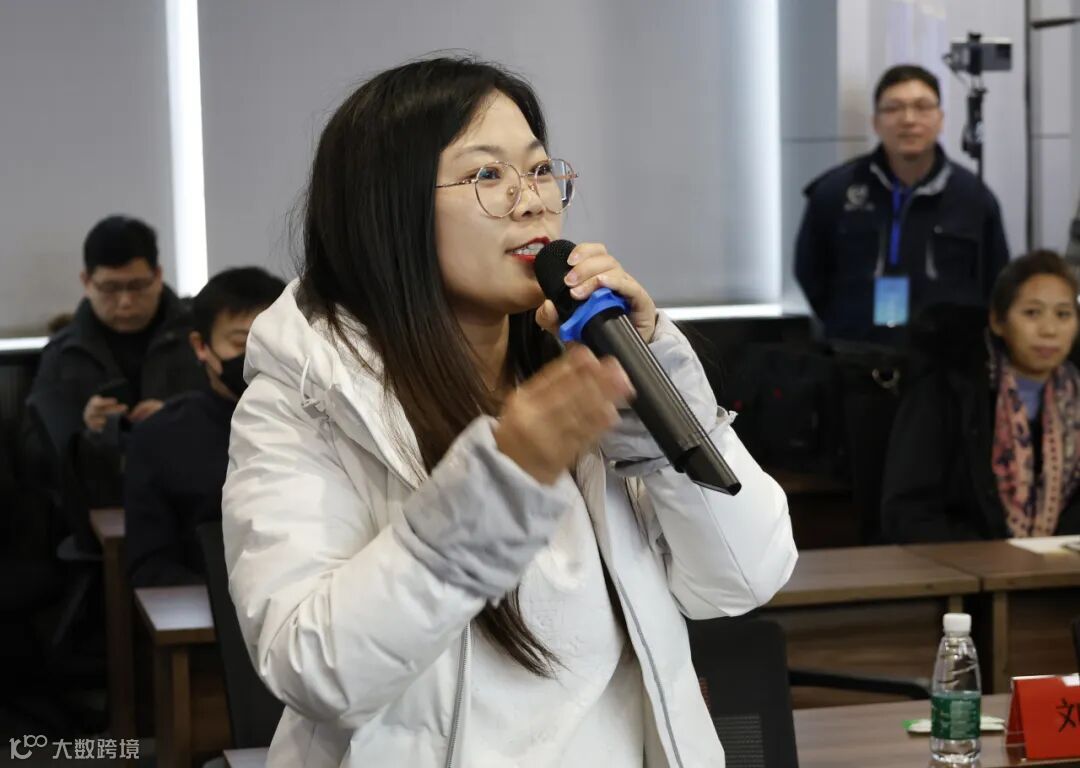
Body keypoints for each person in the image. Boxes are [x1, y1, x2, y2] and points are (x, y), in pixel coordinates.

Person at [222, 57, 797, 767]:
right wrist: (500, 484)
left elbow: (742, 578)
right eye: (487, 175)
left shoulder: (581, 373)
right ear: (387, 210)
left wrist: (656, 382)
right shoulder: (306, 400)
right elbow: (313, 670)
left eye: (540, 169)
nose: (533, 202)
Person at [794, 64, 1011, 345]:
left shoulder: (974, 198)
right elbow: (811, 274)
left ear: (940, 119)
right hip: (855, 354)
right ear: (876, 122)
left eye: (922, 107)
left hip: (947, 359)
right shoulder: (835, 192)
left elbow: (996, 283)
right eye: (894, 108)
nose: (908, 119)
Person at [881, 250, 1080, 542]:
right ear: (998, 321)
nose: (1049, 330)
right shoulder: (946, 391)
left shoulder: (1074, 397)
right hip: (962, 563)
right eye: (1031, 313)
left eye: (1063, 314)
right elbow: (908, 512)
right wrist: (991, 557)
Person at [25, 215, 205, 511]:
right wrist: (84, 430)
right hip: (104, 508)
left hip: (194, 501)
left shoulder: (199, 335)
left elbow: (235, 417)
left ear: (158, 276)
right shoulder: (63, 353)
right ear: (87, 282)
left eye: (138, 285)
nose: (125, 301)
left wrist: (180, 418)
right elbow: (32, 456)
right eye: (110, 288)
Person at [124, 267, 285, 587]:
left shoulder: (323, 424)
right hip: (207, 605)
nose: (257, 356)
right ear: (200, 346)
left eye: (272, 341)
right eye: (241, 343)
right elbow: (150, 566)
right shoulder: (159, 438)